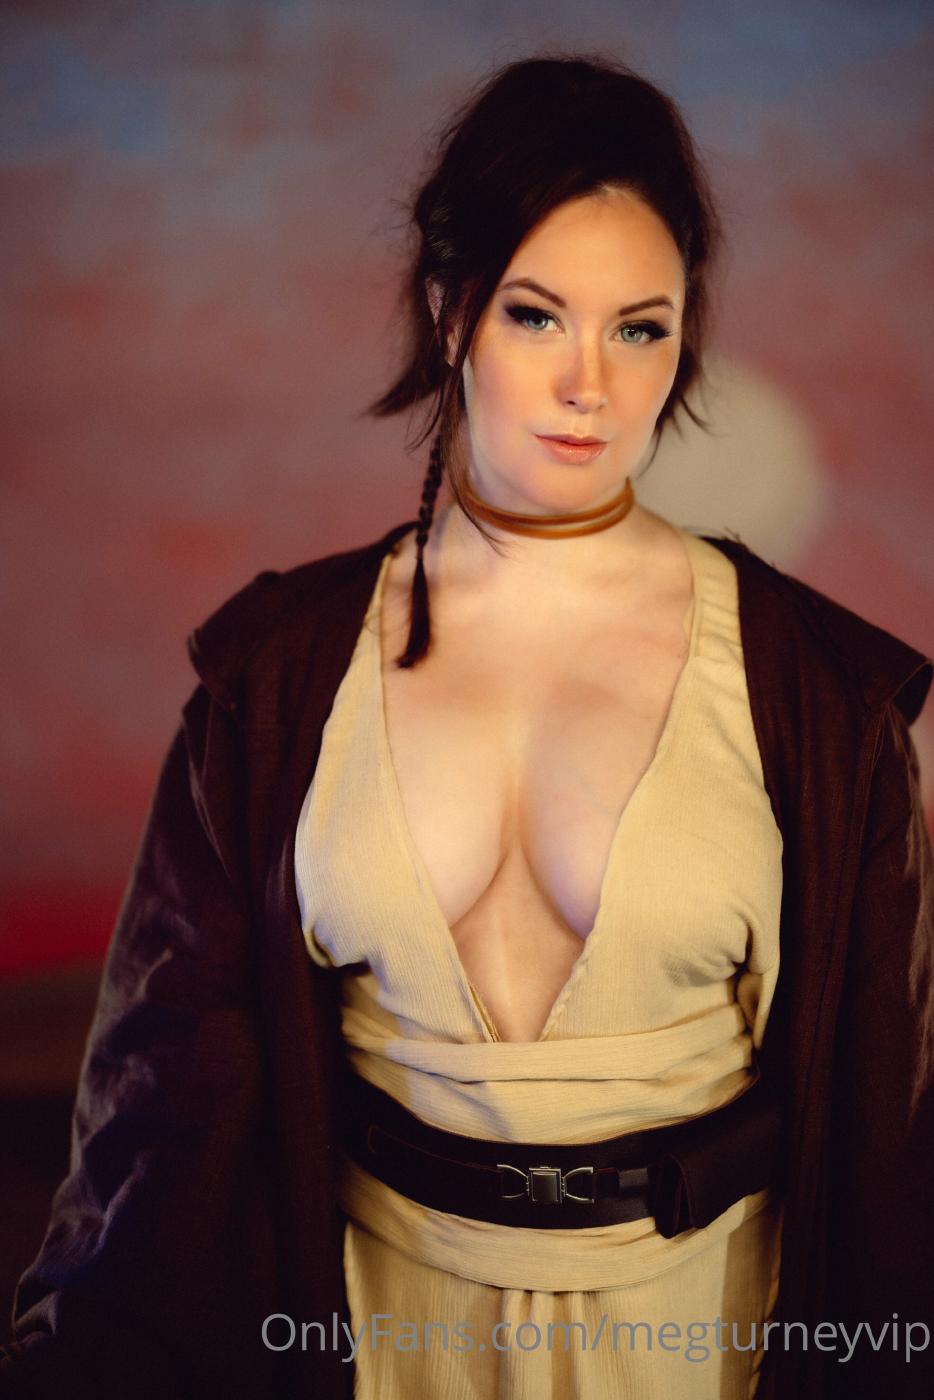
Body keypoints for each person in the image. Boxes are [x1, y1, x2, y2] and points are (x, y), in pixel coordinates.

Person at [2, 52, 932, 1400]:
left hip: (698, 1340)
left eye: (640, 329)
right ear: (449, 313)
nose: (589, 383)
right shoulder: (277, 682)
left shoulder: (818, 695)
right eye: (536, 315)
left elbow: (890, 1145)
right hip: (373, 1334)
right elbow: (161, 1106)